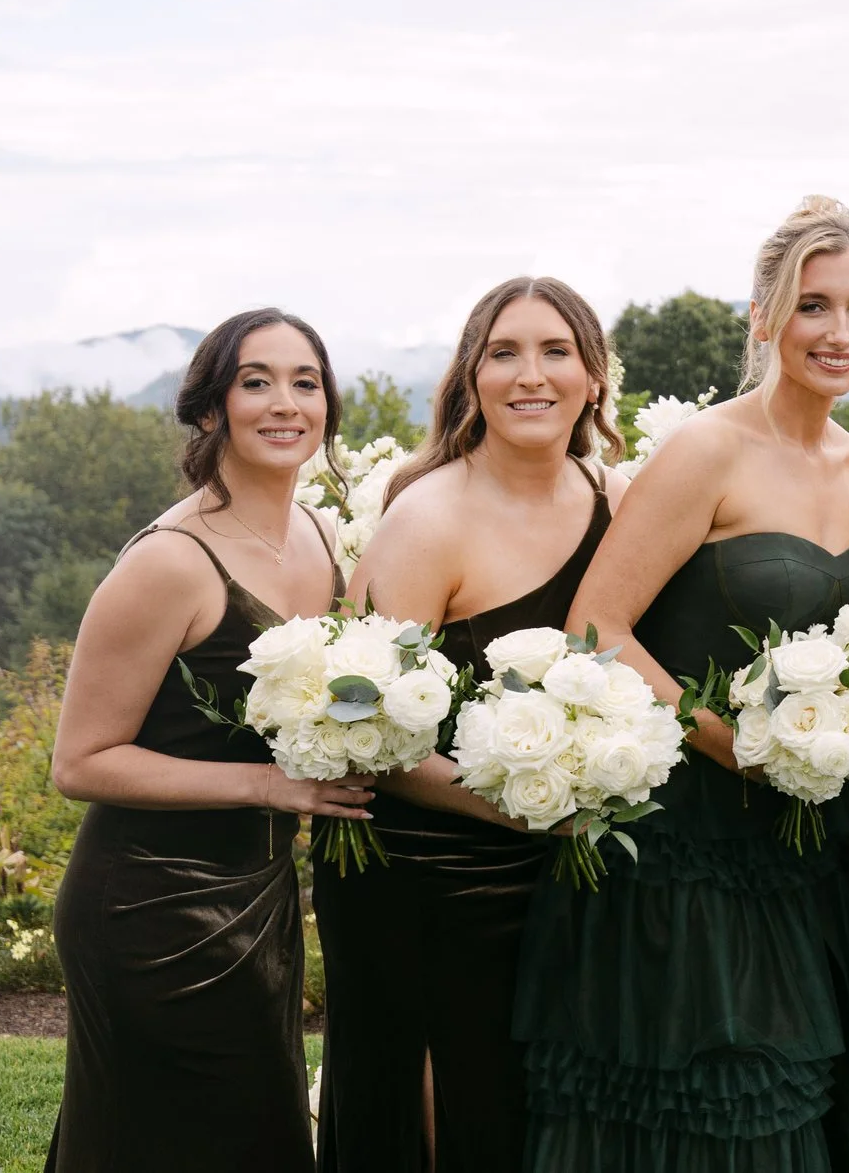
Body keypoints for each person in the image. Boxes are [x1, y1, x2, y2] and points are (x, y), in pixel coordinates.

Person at [512, 196, 849, 1172]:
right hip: (677, 847)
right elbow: (596, 629)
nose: (838, 332)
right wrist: (737, 742)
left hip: (794, 853)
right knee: (689, 1112)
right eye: (813, 305)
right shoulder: (708, 451)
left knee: (780, 1104)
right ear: (763, 315)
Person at [314, 277, 628, 1172]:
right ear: (472, 377)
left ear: (594, 378)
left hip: (561, 877)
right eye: (504, 353)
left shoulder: (616, 497)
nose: (531, 375)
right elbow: (357, 732)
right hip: (421, 883)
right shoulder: (427, 518)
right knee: (448, 1126)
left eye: (555, 351)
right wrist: (521, 808)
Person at [49, 310, 372, 1173]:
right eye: (255, 380)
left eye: (306, 381)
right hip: (150, 907)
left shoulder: (321, 532)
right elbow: (80, 761)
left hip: (258, 894)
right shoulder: (172, 561)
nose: (285, 402)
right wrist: (269, 787)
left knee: (257, 1133)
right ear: (210, 408)